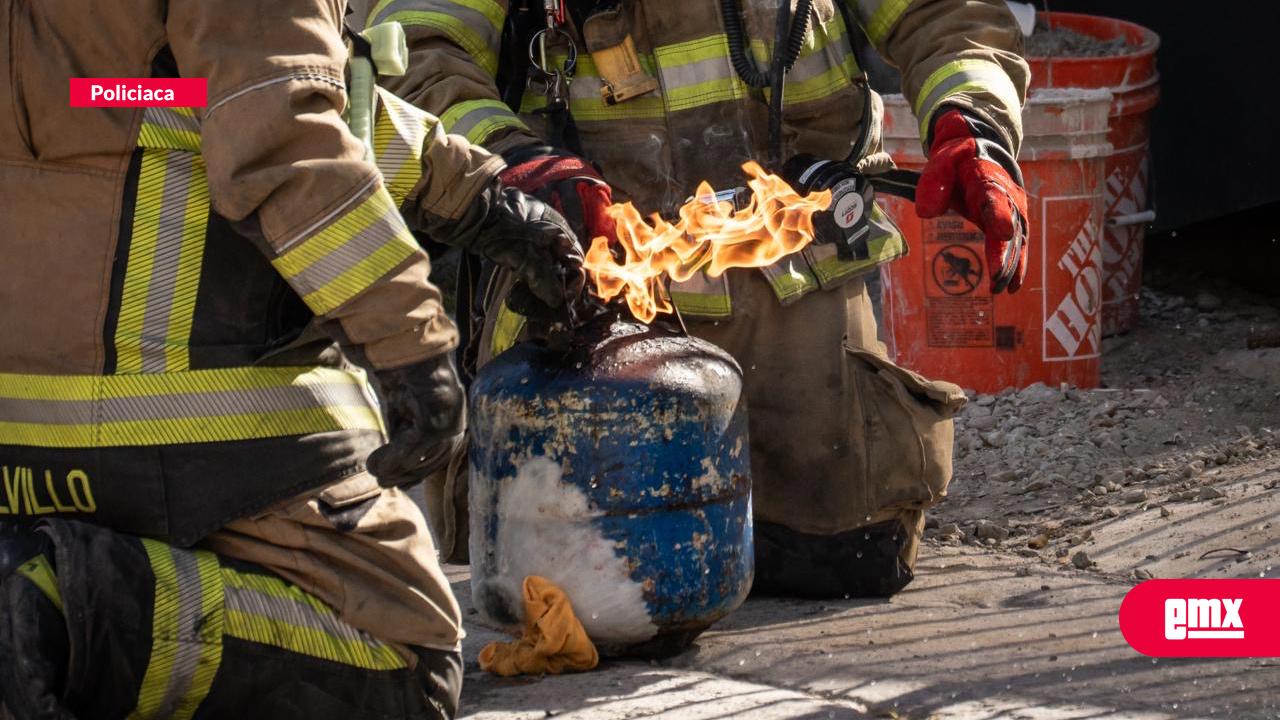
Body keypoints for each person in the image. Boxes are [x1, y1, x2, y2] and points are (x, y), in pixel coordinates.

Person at [0, 0, 584, 717]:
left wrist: (476, 196)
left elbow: (159, 98)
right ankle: (62, 607)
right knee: (404, 654)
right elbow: (281, 132)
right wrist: (412, 346)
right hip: (175, 427)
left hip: (20, 437)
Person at [368, 0, 1031, 597]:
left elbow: (948, 15)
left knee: (846, 562)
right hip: (585, 317)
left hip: (799, 340)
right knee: (572, 596)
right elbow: (413, 56)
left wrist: (973, 123)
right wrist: (517, 164)